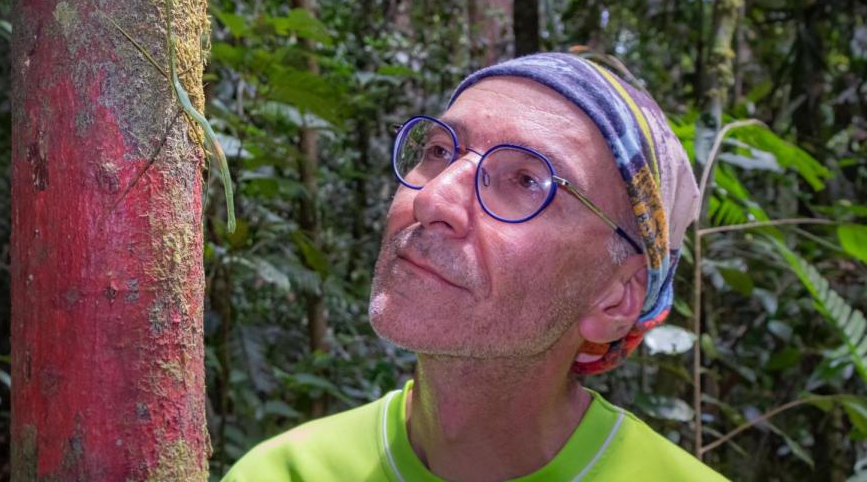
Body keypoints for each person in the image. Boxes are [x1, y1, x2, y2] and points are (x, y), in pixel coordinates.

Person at [224, 53, 727, 481]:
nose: (432, 199)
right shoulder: (283, 472)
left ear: (615, 297)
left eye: (527, 181)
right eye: (439, 150)